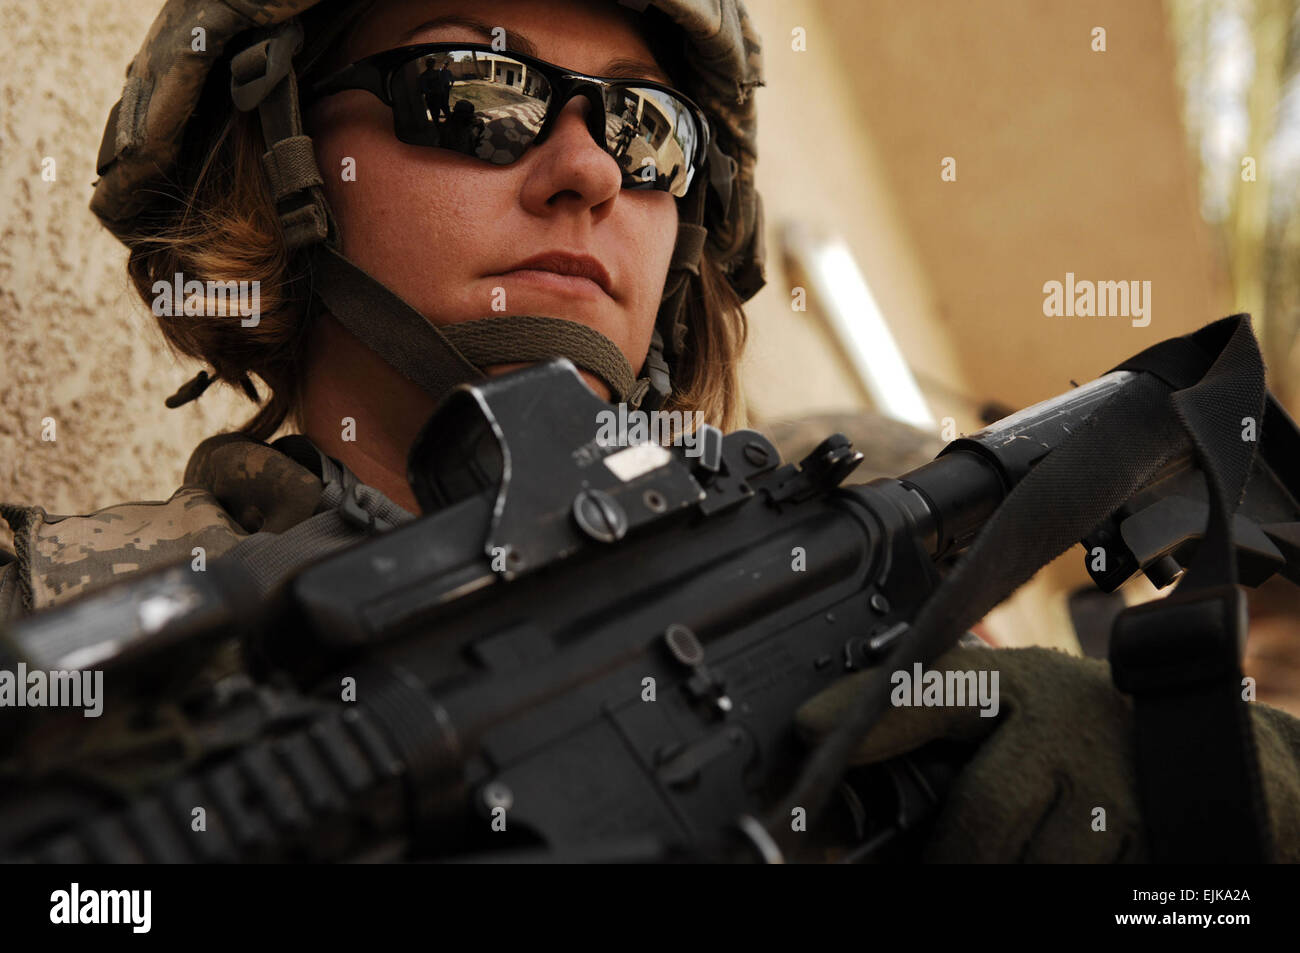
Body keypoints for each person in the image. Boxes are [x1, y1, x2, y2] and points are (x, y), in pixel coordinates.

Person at [1, 0, 1298, 864]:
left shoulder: (862, 510)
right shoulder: (55, 627)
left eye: (645, 124)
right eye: (481, 85)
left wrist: (1197, 778)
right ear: (275, 159)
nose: (591, 171)